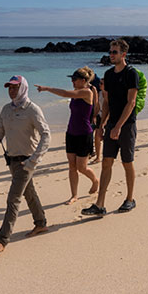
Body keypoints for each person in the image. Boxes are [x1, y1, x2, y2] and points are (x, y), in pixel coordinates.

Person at [0, 75, 51, 253]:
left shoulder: (32, 109)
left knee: (13, 199)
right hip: (12, 161)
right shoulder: (6, 110)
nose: (11, 91)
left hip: (26, 162)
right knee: (29, 192)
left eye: (15, 87)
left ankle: (2, 240)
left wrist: (33, 160)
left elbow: (46, 135)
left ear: (23, 88)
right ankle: (41, 223)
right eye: (9, 88)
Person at [81, 38, 139, 216]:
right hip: (112, 123)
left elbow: (131, 103)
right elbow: (106, 102)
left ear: (123, 54)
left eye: (114, 52)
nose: (111, 55)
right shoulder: (109, 74)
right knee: (106, 162)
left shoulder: (131, 73)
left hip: (126, 125)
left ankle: (130, 199)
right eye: (110, 51)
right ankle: (100, 204)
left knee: (127, 162)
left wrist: (119, 126)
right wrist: (101, 125)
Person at [35, 67, 99, 205]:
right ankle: (74, 195)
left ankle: (95, 180)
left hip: (84, 134)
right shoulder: (78, 92)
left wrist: (46, 88)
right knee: (72, 166)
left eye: (74, 80)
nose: (72, 82)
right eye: (71, 79)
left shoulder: (87, 92)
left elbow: (64, 94)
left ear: (83, 80)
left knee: (82, 167)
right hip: (71, 133)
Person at [91, 78, 106, 164]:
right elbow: (97, 106)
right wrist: (94, 116)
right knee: (97, 135)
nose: (99, 85)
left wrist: (104, 122)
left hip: (109, 116)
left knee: (108, 137)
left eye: (102, 83)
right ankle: (98, 157)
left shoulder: (110, 94)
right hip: (100, 115)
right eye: (99, 83)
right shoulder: (99, 93)